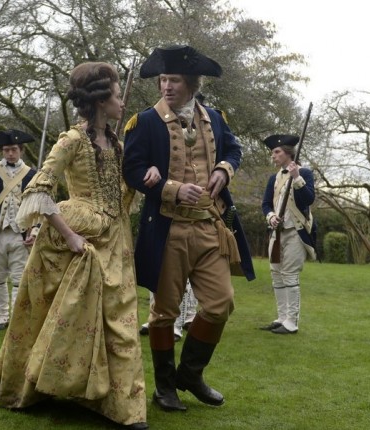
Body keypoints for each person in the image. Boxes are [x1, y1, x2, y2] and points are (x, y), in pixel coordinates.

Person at [0, 62, 148, 430]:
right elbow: (39, 188)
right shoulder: (71, 140)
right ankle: (43, 386)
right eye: (117, 95)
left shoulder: (118, 144)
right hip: (81, 238)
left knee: (120, 322)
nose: (122, 102)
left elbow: (122, 192)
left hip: (117, 239)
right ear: (101, 100)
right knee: (61, 316)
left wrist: (146, 176)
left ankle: (122, 406)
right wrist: (70, 236)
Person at [123, 45, 256, 412]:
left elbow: (234, 151)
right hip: (169, 230)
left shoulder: (215, 117)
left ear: (193, 84)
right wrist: (171, 188)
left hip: (211, 227)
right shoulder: (144, 122)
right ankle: (165, 387)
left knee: (220, 304)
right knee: (164, 313)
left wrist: (224, 170)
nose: (167, 86)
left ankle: (191, 375)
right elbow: (130, 168)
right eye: (163, 80)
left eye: (175, 80)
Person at [0, 129, 38, 331]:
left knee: (19, 279)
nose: (10, 154)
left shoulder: (31, 174)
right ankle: (2, 316)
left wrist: (34, 230)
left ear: (21, 150)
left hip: (21, 234)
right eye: (6, 150)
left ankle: (16, 318)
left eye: (13, 149)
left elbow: (36, 206)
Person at [260, 134, 316, 334]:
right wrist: (271, 217)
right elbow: (266, 204)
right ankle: (281, 318)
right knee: (276, 275)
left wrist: (297, 177)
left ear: (288, 153)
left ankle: (292, 322)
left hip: (295, 232)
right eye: (273, 152)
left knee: (290, 275)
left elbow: (308, 199)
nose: (273, 156)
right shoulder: (274, 178)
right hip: (277, 233)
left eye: (277, 152)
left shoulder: (305, 173)